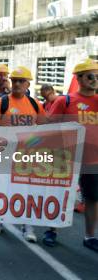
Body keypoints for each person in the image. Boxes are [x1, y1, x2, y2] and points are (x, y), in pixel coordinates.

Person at [0, 66, 47, 242]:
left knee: (27, 192)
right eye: (15, 81)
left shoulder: (36, 105)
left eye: (21, 81)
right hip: (5, 155)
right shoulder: (0, 103)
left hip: (27, 157)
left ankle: (28, 226)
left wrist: (29, 143)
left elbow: (44, 131)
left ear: (28, 83)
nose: (17, 84)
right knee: (2, 189)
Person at [47, 59, 98, 252]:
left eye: (97, 76)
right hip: (67, 158)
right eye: (91, 76)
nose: (95, 80)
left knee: (92, 199)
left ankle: (90, 236)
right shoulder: (64, 101)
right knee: (60, 195)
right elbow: (49, 126)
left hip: (93, 160)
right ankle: (51, 230)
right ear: (79, 78)